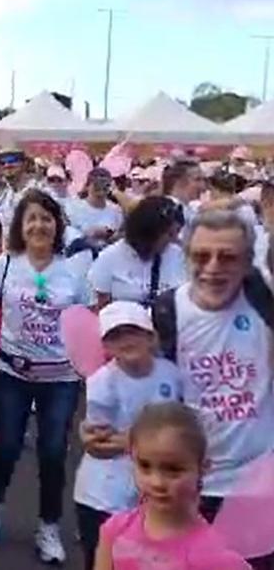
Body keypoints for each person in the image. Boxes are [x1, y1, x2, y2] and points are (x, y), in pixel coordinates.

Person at [154, 209, 274, 568]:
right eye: (201, 256)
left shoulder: (263, 301)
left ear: (248, 263)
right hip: (188, 485)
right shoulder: (167, 310)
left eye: (228, 257)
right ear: (186, 256)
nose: (213, 267)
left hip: (258, 485)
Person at [0, 189, 88, 563]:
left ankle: (49, 526)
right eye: (32, 219)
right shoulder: (5, 265)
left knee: (54, 452)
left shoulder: (73, 270)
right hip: (13, 372)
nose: (40, 225)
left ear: (58, 225)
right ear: (20, 227)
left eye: (47, 218)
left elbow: (86, 320)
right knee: (6, 446)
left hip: (61, 378)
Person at [73, 301, 183, 569]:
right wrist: (155, 441)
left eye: (132, 332)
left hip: (154, 493)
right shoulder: (101, 383)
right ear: (106, 346)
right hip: (103, 495)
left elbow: (181, 428)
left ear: (149, 336)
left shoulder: (171, 375)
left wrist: (132, 439)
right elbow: (100, 444)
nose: (125, 341)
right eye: (115, 335)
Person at [93, 402, 249, 570]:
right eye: (145, 466)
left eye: (173, 470)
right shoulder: (115, 531)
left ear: (202, 468)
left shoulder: (218, 558)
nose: (157, 482)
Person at [88, 196, 185, 308]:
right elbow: (99, 308)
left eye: (177, 232)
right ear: (149, 232)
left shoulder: (177, 255)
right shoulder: (108, 258)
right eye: (169, 234)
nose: (175, 239)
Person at [68, 168, 124, 252]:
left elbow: (119, 237)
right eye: (96, 184)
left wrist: (109, 235)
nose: (100, 188)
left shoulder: (116, 210)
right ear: (87, 186)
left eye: (105, 185)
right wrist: (88, 234)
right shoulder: (73, 207)